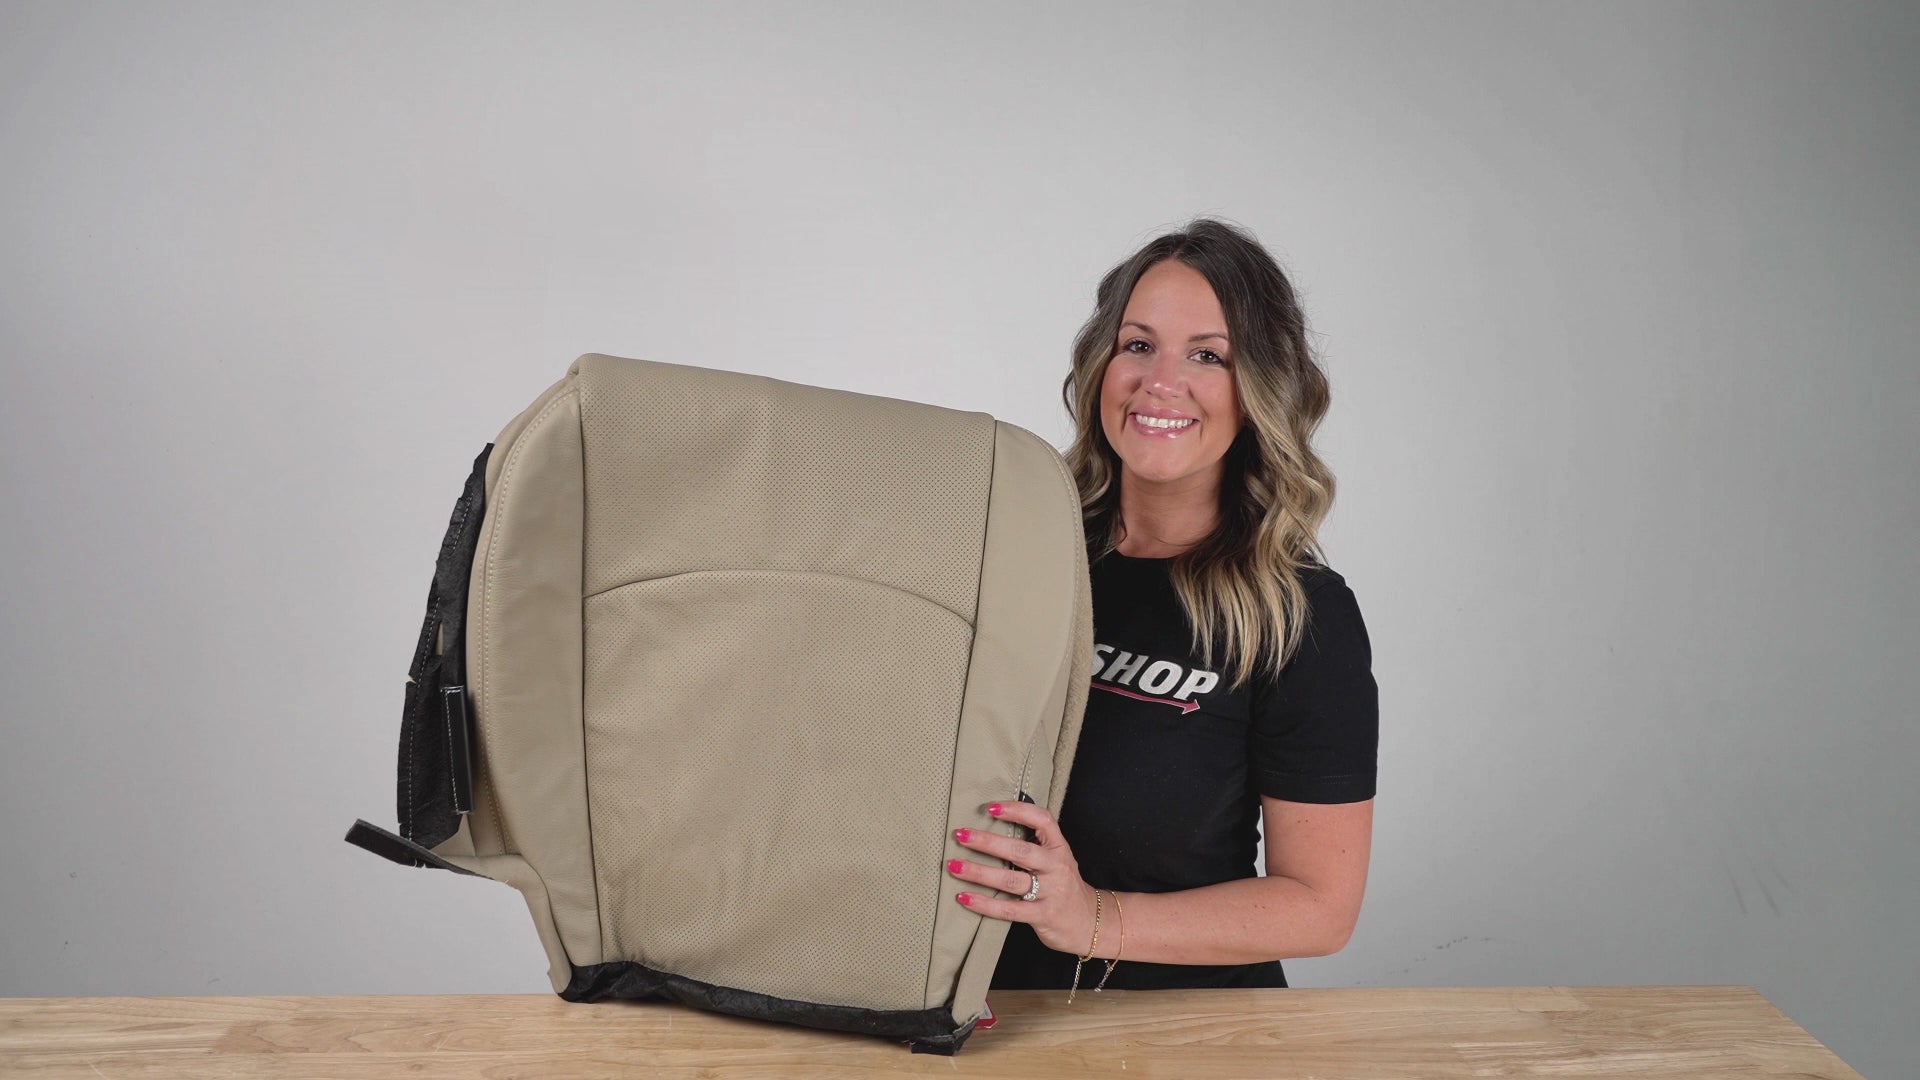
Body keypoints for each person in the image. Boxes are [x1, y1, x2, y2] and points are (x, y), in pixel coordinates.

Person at [957, 218, 1379, 992]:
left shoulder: (1299, 617)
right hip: (980, 1013)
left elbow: (1320, 908)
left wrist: (1091, 918)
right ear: (1102, 365)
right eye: (1138, 344)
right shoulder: (1013, 555)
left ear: (1257, 390)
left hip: (1189, 1030)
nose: (1161, 381)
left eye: (1208, 355)